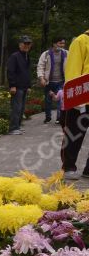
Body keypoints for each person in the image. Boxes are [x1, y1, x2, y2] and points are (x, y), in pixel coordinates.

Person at [61, 28, 89, 180]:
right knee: (74, 133)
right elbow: (73, 70)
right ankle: (69, 166)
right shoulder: (81, 41)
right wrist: (76, 99)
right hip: (83, 97)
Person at [37, 36, 68, 124]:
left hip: (61, 81)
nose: (62, 45)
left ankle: (59, 118)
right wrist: (41, 78)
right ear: (54, 44)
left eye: (63, 43)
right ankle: (48, 117)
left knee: (60, 100)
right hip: (48, 81)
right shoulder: (46, 54)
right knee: (48, 100)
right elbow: (40, 67)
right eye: (60, 43)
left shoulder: (66, 53)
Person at [6, 35, 33, 135]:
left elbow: (27, 72)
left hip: (24, 86)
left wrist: (29, 85)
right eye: (25, 43)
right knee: (16, 108)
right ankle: (13, 128)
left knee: (21, 108)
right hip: (17, 87)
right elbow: (10, 71)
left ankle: (17, 126)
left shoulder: (26, 56)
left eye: (28, 43)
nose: (27, 45)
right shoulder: (15, 56)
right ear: (20, 45)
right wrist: (12, 85)